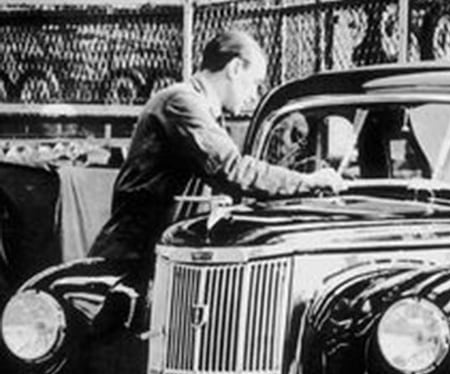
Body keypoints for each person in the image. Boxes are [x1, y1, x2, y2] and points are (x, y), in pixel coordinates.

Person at [88, 30, 344, 263]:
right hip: (131, 256)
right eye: (254, 82)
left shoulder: (202, 109)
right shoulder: (182, 102)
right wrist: (308, 182)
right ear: (234, 68)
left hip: (160, 251)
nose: (254, 95)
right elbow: (233, 170)